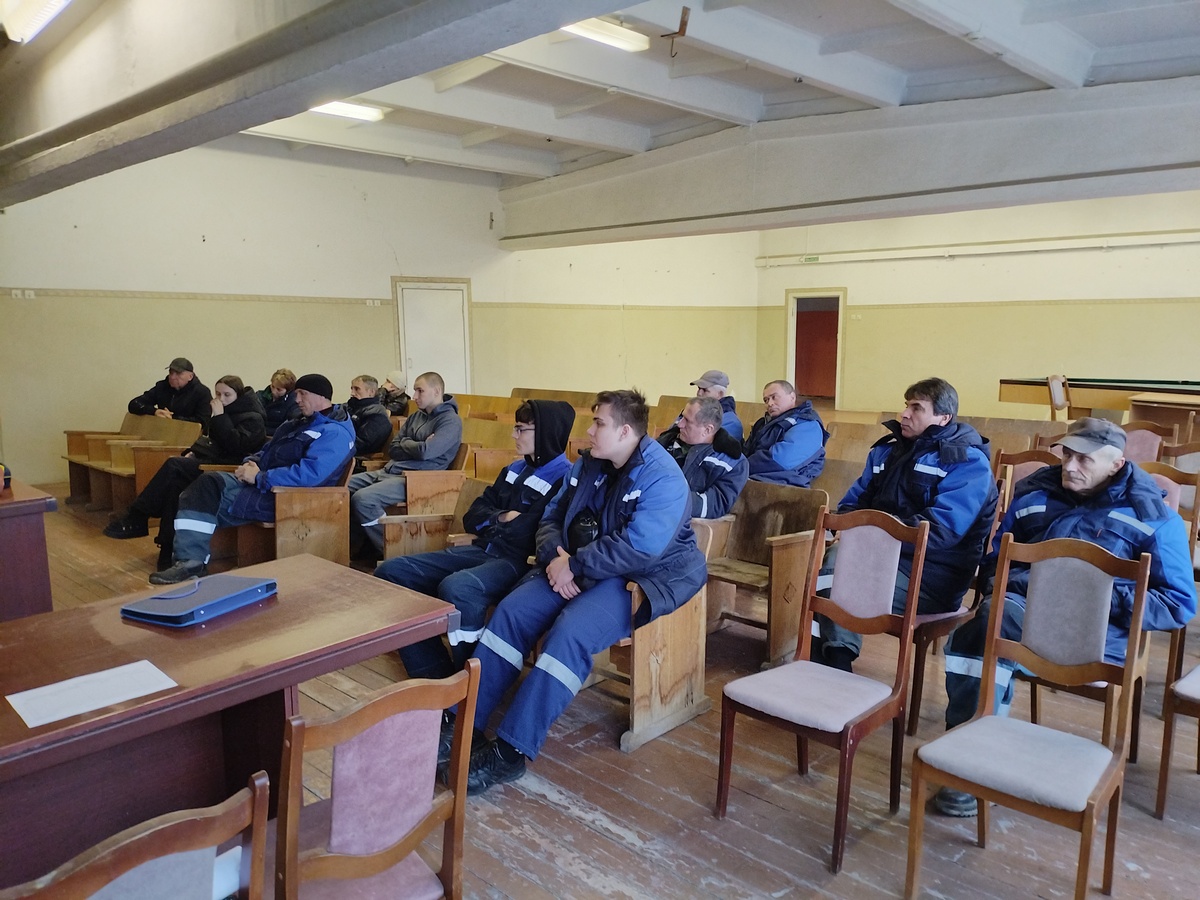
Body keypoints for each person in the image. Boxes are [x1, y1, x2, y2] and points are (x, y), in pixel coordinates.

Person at [935, 417, 1197, 817]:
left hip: (1097, 632)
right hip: (1022, 613)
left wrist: (1094, 596)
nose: (1070, 466)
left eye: (1084, 459)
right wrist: (1004, 584)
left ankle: (973, 756)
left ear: (1116, 463)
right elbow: (996, 562)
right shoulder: (1033, 495)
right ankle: (971, 747)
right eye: (1067, 455)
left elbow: (1177, 603)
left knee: (990, 626)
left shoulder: (1152, 515)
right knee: (987, 623)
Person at [462, 389, 708, 794]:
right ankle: (465, 721)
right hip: (578, 564)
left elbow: (639, 548)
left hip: (641, 577)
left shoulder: (663, 477)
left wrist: (573, 566)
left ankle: (510, 751)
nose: (589, 431)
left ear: (625, 431)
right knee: (512, 611)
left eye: (598, 423)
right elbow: (552, 515)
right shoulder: (588, 463)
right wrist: (554, 556)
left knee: (570, 633)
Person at [378, 399, 575, 686]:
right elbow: (473, 516)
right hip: (482, 550)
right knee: (391, 573)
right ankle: (436, 674)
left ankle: (473, 683)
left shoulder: (565, 477)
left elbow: (530, 532)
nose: (514, 435)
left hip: (519, 563)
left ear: (545, 432)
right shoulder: (513, 469)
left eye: (521, 429)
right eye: (515, 428)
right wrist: (503, 517)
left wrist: (496, 521)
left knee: (459, 588)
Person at [814, 377, 998, 672]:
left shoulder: (967, 462)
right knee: (816, 566)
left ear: (943, 417)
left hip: (932, 577)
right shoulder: (887, 452)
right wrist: (854, 533)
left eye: (917, 408)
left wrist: (866, 537)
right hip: (877, 559)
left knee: (839, 565)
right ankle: (824, 658)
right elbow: (850, 505)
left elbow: (941, 531)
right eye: (906, 405)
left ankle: (836, 663)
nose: (904, 414)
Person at [150, 374, 355, 584]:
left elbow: (309, 476)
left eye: (303, 394)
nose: (297, 399)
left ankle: (189, 562)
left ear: (322, 396)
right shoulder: (298, 423)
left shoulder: (334, 433)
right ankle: (188, 559)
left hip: (288, 499)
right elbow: (266, 450)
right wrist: (251, 463)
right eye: (297, 394)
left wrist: (260, 477)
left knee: (200, 499)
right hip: (265, 486)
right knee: (207, 483)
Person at [105, 375, 267, 571]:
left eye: (227, 395)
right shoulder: (224, 413)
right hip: (212, 462)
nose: (221, 399)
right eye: (217, 394)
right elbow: (210, 442)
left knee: (174, 465)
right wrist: (194, 452)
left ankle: (138, 516)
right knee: (175, 485)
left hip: (229, 469)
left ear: (238, 395)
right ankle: (167, 548)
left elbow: (236, 446)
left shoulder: (253, 418)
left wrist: (219, 417)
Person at [347, 371, 463, 555]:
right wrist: (416, 444)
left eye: (420, 391)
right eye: (414, 390)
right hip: (392, 470)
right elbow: (394, 448)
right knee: (342, 487)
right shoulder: (416, 416)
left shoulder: (450, 421)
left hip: (418, 480)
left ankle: (391, 550)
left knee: (364, 499)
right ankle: (356, 549)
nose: (414, 396)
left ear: (436, 391)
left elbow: (426, 452)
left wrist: (408, 443)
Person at [657, 396, 748, 518]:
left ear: (708, 429)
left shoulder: (731, 463)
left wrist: (664, 497)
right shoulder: (665, 442)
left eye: (687, 421)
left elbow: (713, 506)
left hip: (681, 522)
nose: (680, 424)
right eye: (682, 417)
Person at [742, 379, 828, 486]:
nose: (770, 403)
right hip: (758, 477)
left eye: (774, 397)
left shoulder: (808, 424)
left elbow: (780, 461)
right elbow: (745, 451)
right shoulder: (762, 424)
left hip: (787, 485)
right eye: (766, 400)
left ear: (792, 397)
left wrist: (738, 468)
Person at [128, 357, 212, 425]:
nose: (172, 377)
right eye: (171, 373)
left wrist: (173, 418)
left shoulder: (202, 392)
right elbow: (134, 404)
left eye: (178, 373)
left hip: (189, 436)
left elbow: (203, 421)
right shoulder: (161, 387)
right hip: (162, 431)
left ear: (190, 376)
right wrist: (154, 411)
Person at [346, 375, 392, 458]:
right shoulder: (351, 407)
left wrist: (335, 445)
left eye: (357, 389)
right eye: (352, 389)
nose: (352, 393)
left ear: (371, 392)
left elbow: (362, 444)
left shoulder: (377, 415)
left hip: (356, 457)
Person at [690, 369, 743, 441]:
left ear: (720, 394)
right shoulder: (694, 410)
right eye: (699, 388)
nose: (699, 393)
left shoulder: (731, 423)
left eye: (705, 390)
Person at [256, 368, 298, 435]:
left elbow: (289, 427)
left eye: (279, 389)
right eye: (272, 386)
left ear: (288, 390)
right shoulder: (259, 396)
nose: (273, 391)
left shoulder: (294, 402)